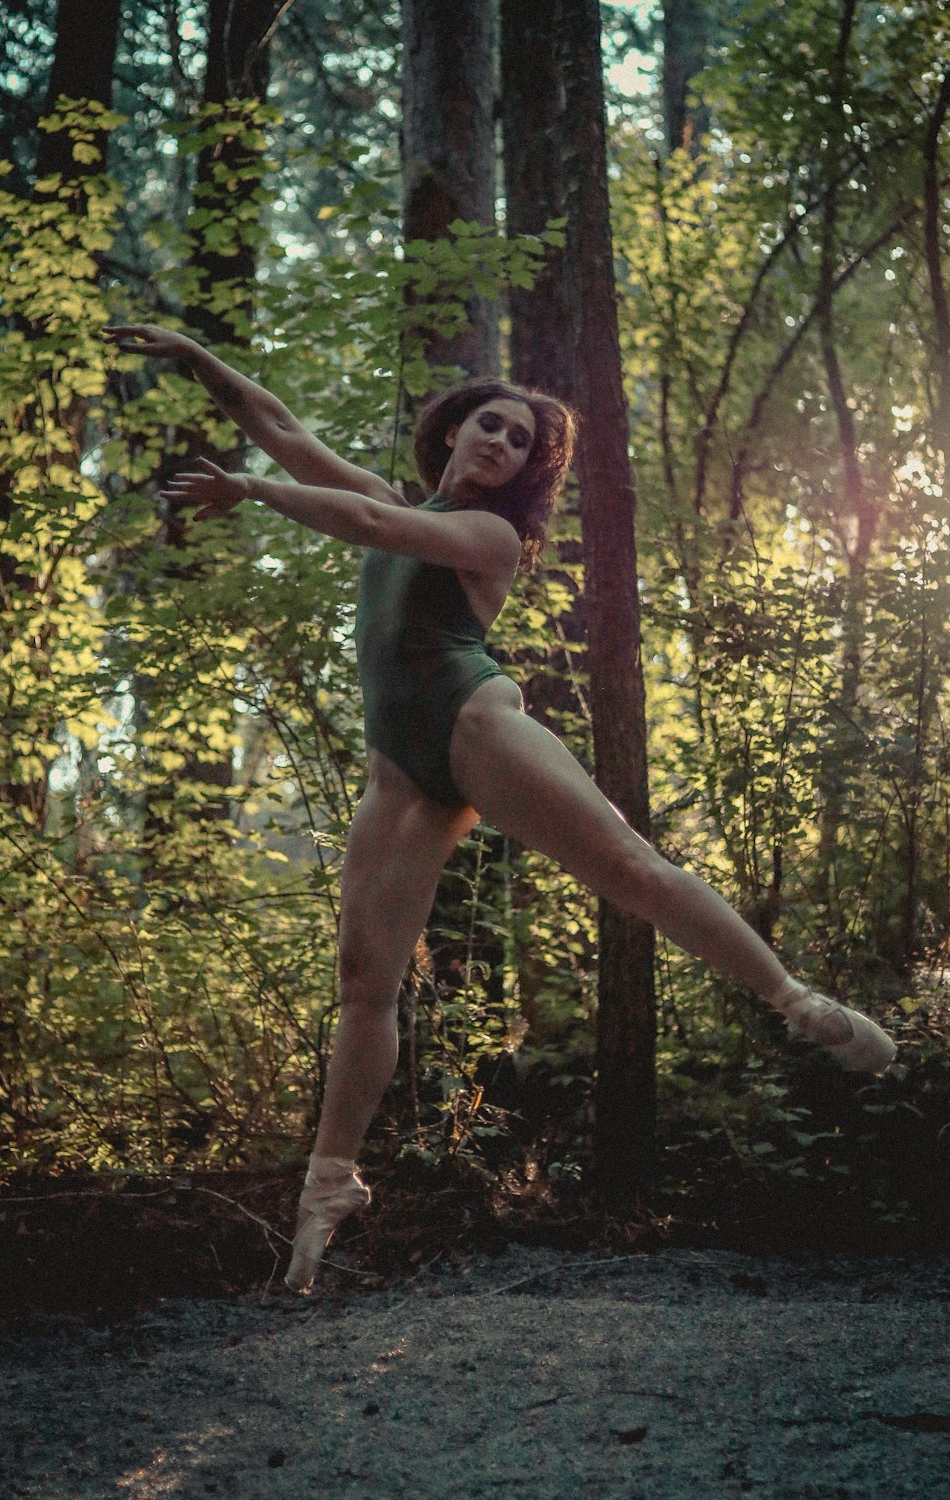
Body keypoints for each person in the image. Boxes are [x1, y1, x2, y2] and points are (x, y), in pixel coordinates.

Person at [103, 324, 897, 1292]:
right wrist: (194, 352)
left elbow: (386, 533)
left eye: (519, 442)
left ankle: (792, 999)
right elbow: (278, 424)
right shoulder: (390, 488)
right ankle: (327, 1191)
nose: (499, 445)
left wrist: (253, 493)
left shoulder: (491, 538)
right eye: (490, 425)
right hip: (400, 771)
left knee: (628, 868)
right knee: (365, 985)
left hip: (475, 722)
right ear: (451, 432)